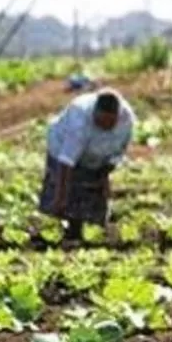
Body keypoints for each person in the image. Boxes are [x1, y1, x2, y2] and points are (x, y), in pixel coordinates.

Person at [38, 88, 136, 241]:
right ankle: (68, 229)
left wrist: (104, 178)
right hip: (61, 150)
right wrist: (61, 198)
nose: (106, 127)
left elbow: (118, 152)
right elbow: (67, 162)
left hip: (97, 156)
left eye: (110, 124)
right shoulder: (79, 118)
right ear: (94, 114)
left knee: (94, 196)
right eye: (101, 123)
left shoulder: (127, 120)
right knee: (66, 195)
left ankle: (92, 229)